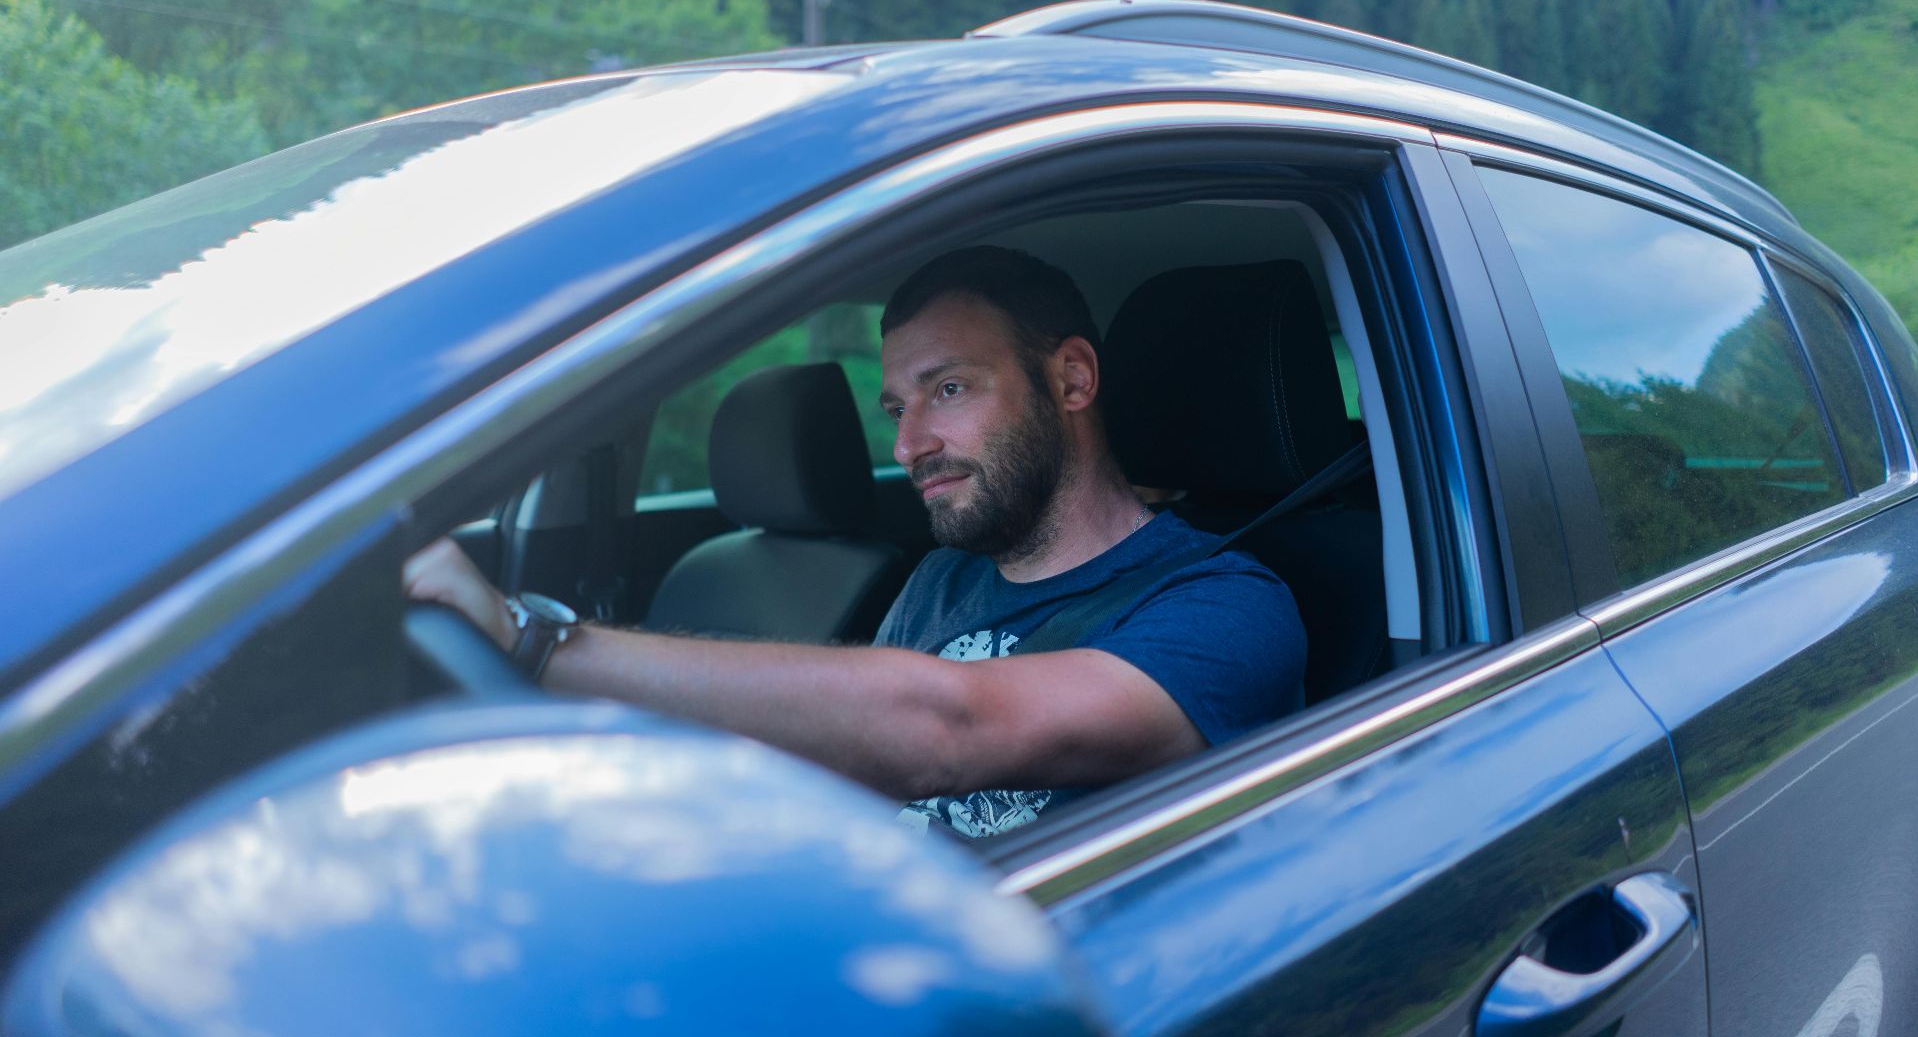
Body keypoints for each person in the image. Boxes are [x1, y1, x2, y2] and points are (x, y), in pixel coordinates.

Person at [405, 245, 1306, 838]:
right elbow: (854, 774)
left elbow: (945, 728)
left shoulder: (1227, 607)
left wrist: (534, 642)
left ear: (1070, 379)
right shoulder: (941, 580)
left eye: (947, 389)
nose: (909, 445)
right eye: (895, 409)